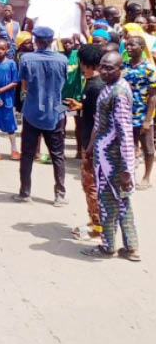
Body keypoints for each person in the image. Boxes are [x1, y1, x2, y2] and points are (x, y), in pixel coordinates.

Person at [82, 51, 140, 261]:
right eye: (103, 66)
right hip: (103, 154)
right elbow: (99, 122)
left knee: (108, 203)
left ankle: (108, 247)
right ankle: (131, 248)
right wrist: (90, 148)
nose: (104, 71)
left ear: (120, 69)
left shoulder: (119, 92)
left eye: (110, 68)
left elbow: (125, 133)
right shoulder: (108, 89)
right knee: (122, 203)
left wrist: (127, 170)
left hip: (113, 161)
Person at [13, 26, 69, 205]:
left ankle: (25, 192)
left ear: (36, 41)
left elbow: (24, 86)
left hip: (32, 111)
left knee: (27, 154)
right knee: (58, 155)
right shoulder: (62, 59)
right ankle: (59, 195)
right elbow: (63, 86)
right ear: (52, 41)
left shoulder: (26, 59)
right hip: (55, 111)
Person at [65, 44, 104, 240]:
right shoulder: (92, 83)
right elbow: (92, 110)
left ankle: (97, 227)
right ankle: (94, 220)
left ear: (84, 63)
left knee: (91, 185)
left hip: (93, 144)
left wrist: (89, 147)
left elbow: (99, 119)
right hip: (91, 141)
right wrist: (80, 105)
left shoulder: (96, 86)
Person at [122, 35, 156, 190]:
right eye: (127, 45)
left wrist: (147, 120)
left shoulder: (150, 68)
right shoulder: (123, 66)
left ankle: (147, 176)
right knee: (129, 146)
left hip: (142, 114)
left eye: (132, 45)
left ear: (142, 48)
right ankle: (129, 176)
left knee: (148, 148)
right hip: (125, 114)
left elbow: (153, 96)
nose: (128, 48)